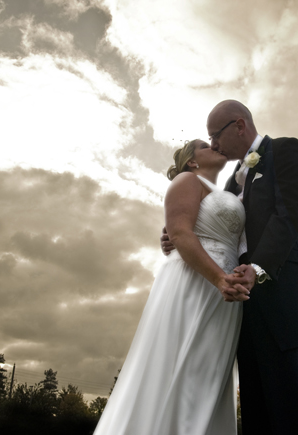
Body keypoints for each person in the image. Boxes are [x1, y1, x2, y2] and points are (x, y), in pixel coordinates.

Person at [162, 100, 298, 434]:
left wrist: (259, 267)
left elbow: (290, 215)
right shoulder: (229, 185)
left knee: (290, 399)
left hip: (279, 288)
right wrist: (174, 236)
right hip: (240, 301)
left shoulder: (285, 150)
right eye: (209, 140)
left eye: (215, 135)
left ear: (239, 126)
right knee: (254, 401)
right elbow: (213, 226)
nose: (213, 144)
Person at [94, 139, 249, 435]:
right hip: (198, 282)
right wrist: (218, 278)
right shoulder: (187, 180)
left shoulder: (228, 191)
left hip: (225, 289)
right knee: (184, 365)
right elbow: (179, 232)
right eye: (206, 145)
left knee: (210, 374)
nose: (216, 145)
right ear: (192, 161)